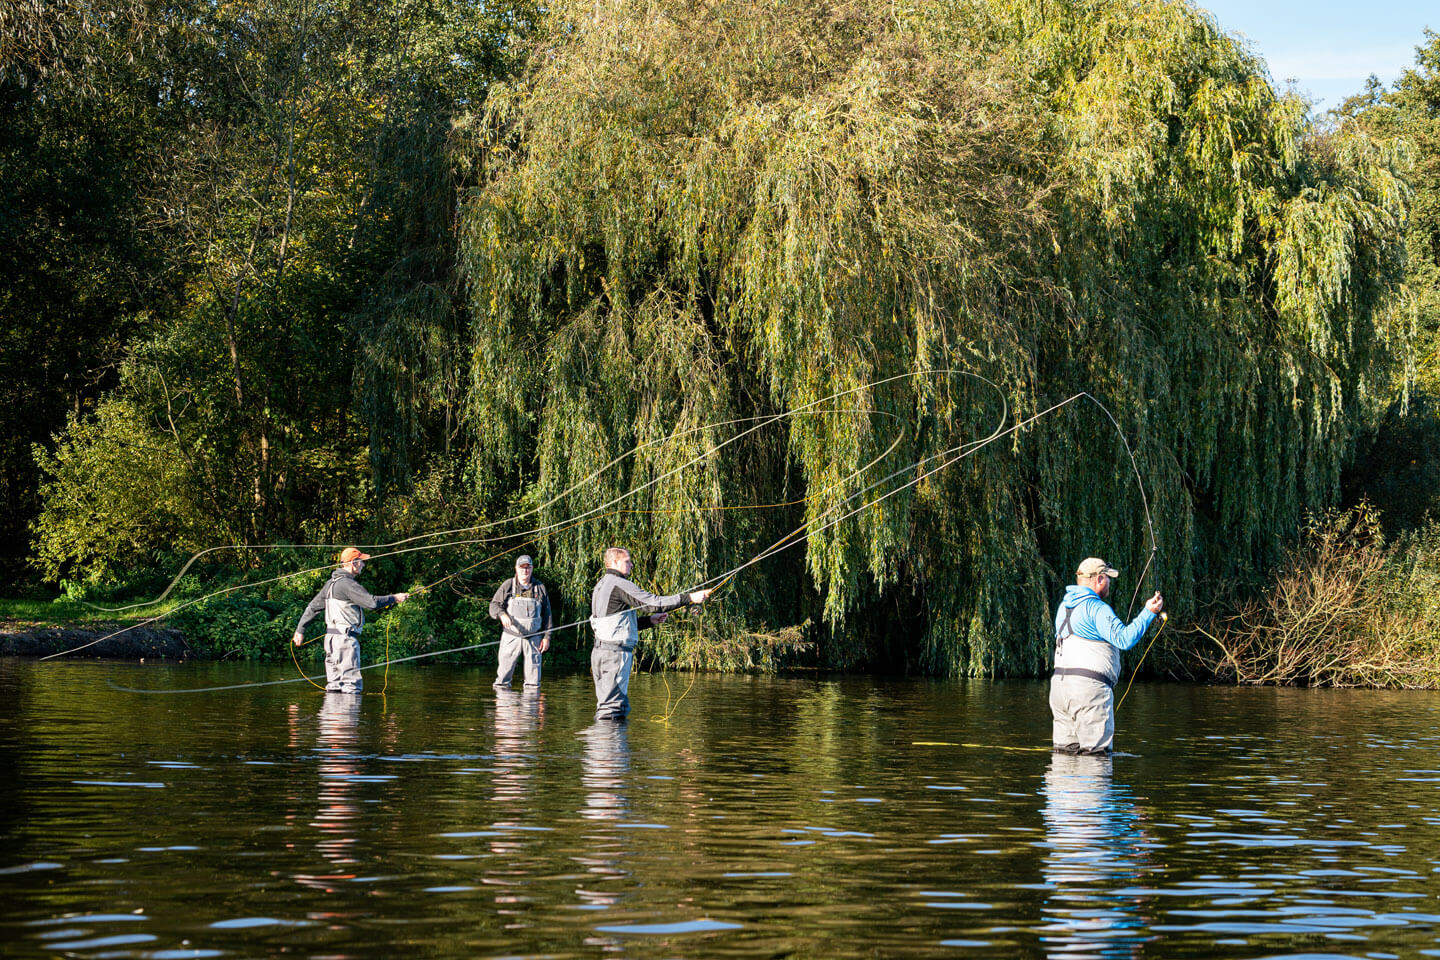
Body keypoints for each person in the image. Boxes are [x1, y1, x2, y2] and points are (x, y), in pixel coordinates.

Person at [1050, 556, 1163, 754]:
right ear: (1100, 579)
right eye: (1108, 578)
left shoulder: (1063, 607)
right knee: (1096, 757)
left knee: (1064, 755)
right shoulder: (1097, 608)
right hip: (1088, 692)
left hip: (1059, 690)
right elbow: (1124, 640)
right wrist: (1149, 612)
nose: (1110, 583)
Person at [588, 546, 713, 720]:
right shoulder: (619, 584)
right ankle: (606, 745)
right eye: (627, 561)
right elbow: (653, 603)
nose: (631, 565)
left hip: (602, 653)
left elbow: (611, 623)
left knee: (617, 706)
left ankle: (613, 745)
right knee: (612, 708)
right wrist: (689, 598)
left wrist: (649, 621)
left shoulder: (601, 585)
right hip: (614, 655)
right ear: (615, 562)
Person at [291, 547, 410, 693]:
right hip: (345, 641)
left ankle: (332, 715)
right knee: (351, 686)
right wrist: (394, 598)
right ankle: (348, 715)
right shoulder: (348, 584)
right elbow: (371, 603)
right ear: (354, 563)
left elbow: (313, 607)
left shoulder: (331, 584)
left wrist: (300, 630)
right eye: (362, 562)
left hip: (331, 641)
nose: (364, 565)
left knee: (334, 686)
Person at [488, 554, 554, 689]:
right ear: (516, 569)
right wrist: (502, 614)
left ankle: (531, 708)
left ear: (532, 568)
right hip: (511, 636)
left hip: (534, 638)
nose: (525, 571)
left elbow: (547, 614)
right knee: (502, 679)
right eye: (522, 567)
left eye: (528, 567)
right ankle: (503, 707)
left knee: (533, 682)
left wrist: (547, 637)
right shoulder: (508, 585)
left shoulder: (540, 587)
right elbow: (494, 605)